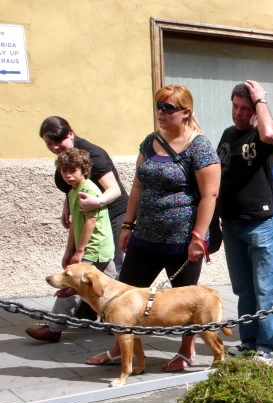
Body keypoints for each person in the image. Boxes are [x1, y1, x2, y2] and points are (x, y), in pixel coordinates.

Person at [85, 84, 220, 371]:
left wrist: (198, 236)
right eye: (158, 105)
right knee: (125, 295)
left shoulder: (200, 146)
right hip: (144, 236)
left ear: (185, 113)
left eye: (168, 107)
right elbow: (136, 185)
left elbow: (209, 195)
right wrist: (127, 225)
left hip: (182, 240)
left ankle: (186, 351)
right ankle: (120, 350)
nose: (161, 112)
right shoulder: (150, 142)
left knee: (186, 298)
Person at [216, 81, 273, 362]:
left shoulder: (262, 134)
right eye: (235, 106)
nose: (238, 113)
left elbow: (270, 133)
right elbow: (219, 178)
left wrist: (261, 100)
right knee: (242, 289)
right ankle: (249, 341)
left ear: (255, 109)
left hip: (259, 224)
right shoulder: (227, 135)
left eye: (245, 108)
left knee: (264, 288)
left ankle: (267, 346)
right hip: (230, 223)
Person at [25, 149, 117, 342]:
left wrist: (80, 251)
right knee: (110, 285)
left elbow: (90, 222)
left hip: (95, 248)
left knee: (71, 285)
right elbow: (76, 223)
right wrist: (70, 250)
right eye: (63, 171)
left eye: (72, 170)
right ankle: (118, 323)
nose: (68, 175)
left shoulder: (88, 190)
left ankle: (54, 328)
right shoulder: (73, 191)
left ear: (84, 169)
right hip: (95, 248)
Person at [40, 117, 129, 275]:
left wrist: (97, 201)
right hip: (85, 215)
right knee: (81, 266)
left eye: (58, 140)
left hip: (111, 214)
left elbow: (114, 190)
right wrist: (68, 206)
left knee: (110, 268)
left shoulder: (93, 155)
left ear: (71, 134)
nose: (54, 147)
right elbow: (75, 185)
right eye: (49, 143)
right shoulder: (67, 155)